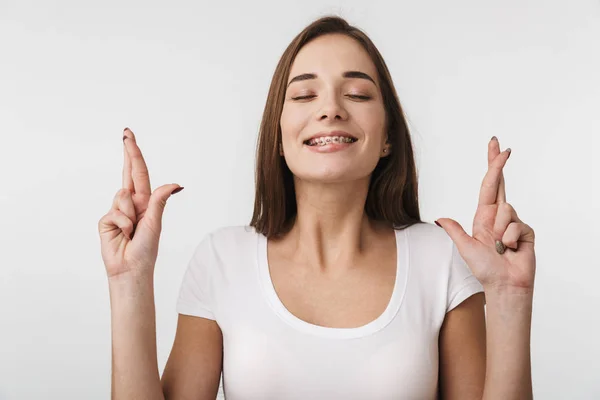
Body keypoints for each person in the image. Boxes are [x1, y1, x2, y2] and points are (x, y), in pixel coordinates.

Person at [98, 16, 536, 400]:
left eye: (358, 95)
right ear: (279, 138)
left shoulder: (441, 259)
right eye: (305, 95)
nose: (330, 109)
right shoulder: (220, 260)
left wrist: (510, 298)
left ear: (387, 138)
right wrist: (128, 280)